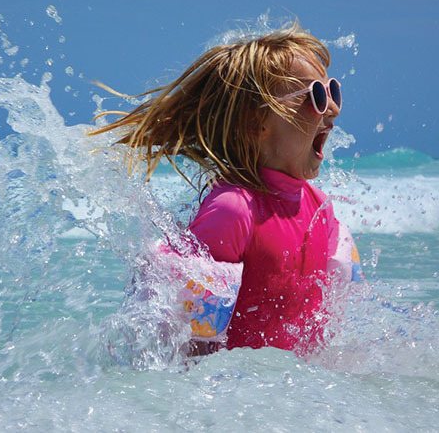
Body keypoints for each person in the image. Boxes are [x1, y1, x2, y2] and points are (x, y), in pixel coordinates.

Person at [90, 21, 360, 356]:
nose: (332, 108)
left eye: (332, 91)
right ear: (257, 122)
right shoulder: (234, 211)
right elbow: (189, 348)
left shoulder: (319, 206)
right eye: (315, 97)